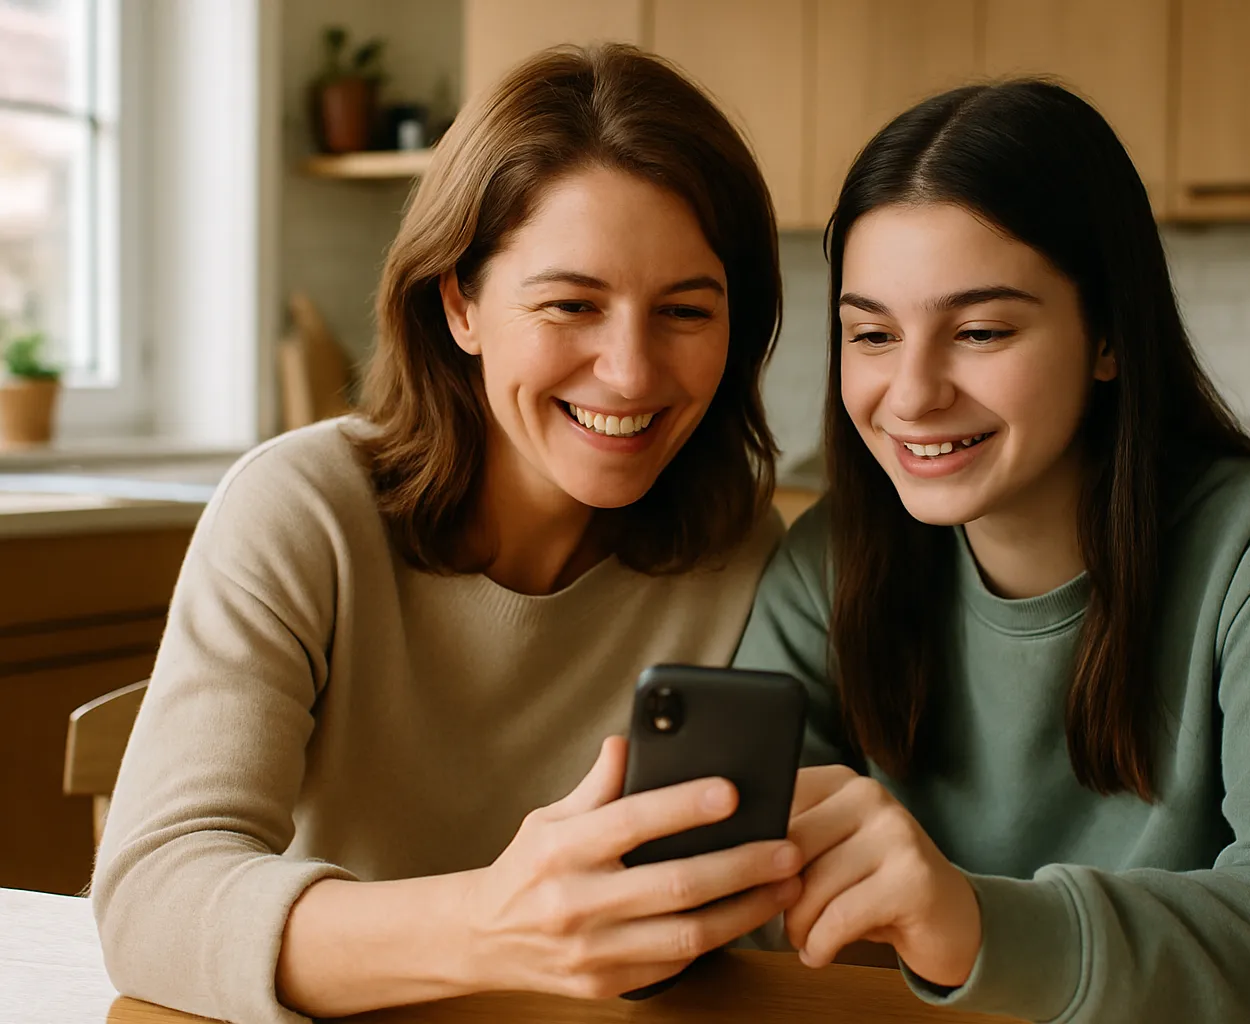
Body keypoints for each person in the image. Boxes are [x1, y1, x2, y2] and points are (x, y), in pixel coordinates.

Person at [93, 45, 805, 1024]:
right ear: (459, 302)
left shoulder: (742, 546)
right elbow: (151, 906)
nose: (633, 372)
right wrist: (492, 925)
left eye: (686, 310)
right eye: (571, 304)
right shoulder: (303, 510)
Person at [735, 79, 1250, 1021]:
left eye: (980, 331)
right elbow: (745, 892)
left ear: (1107, 335)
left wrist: (981, 924)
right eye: (872, 334)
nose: (912, 393)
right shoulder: (830, 559)